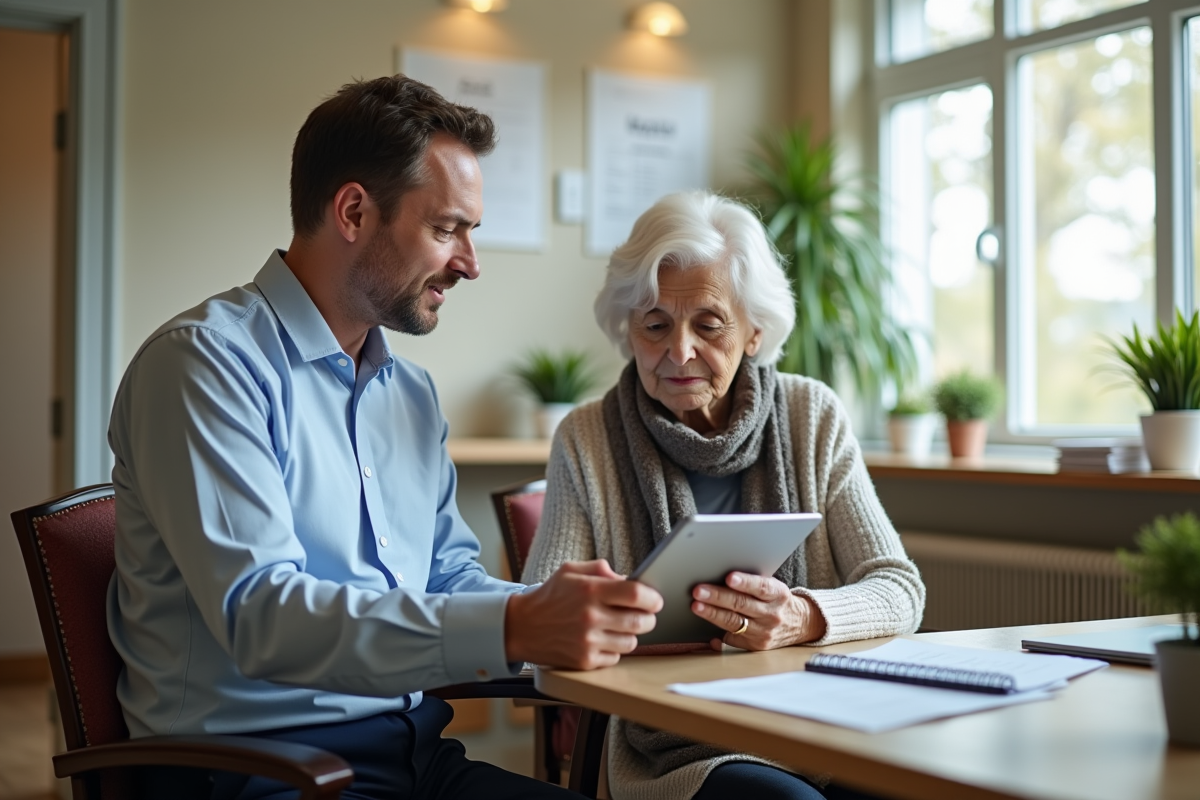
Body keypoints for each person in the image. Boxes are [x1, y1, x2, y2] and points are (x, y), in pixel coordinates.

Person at [106, 74, 663, 800]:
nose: (469, 262)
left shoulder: (409, 395)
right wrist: (515, 624)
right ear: (353, 211)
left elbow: (448, 580)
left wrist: (594, 620)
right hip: (254, 771)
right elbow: (263, 618)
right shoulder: (203, 367)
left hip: (410, 757)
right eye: (446, 228)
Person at [522, 190, 926, 800]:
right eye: (655, 324)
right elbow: (535, 629)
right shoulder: (587, 437)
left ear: (756, 331)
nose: (679, 351)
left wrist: (801, 616)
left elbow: (899, 588)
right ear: (627, 328)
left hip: (821, 719)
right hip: (671, 746)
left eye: (709, 326)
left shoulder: (811, 414)